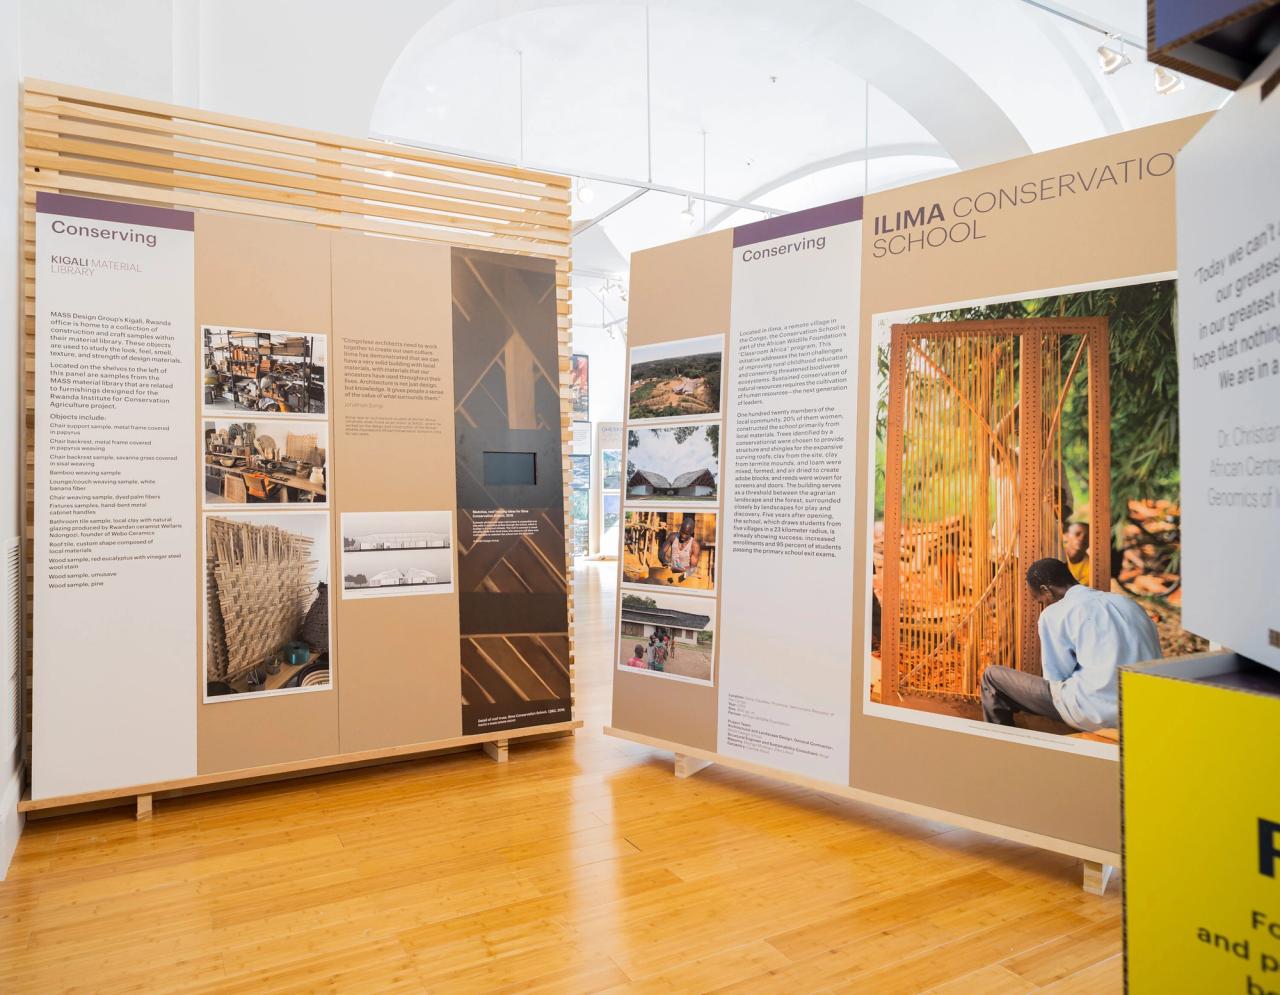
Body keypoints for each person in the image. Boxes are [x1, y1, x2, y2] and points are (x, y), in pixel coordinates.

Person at [980, 557, 1161, 731]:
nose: (1043, 606)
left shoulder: (1054, 614)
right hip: (1146, 707)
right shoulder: (1127, 603)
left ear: (1046, 590)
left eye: (1041, 601)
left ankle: (1003, 753)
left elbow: (1057, 678)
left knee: (992, 677)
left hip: (1097, 711)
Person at [659, 517, 701, 581]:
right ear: (680, 528)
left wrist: (682, 571)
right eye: (682, 532)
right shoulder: (672, 537)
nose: (683, 536)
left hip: (685, 577)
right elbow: (661, 552)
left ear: (691, 533)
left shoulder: (695, 546)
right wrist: (665, 561)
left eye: (686, 534)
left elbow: (692, 569)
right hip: (671, 573)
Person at [1062, 521, 1091, 586]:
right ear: (1065, 537)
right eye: (1077, 534)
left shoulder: (1092, 566)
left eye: (1087, 536)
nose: (1082, 538)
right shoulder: (1055, 554)